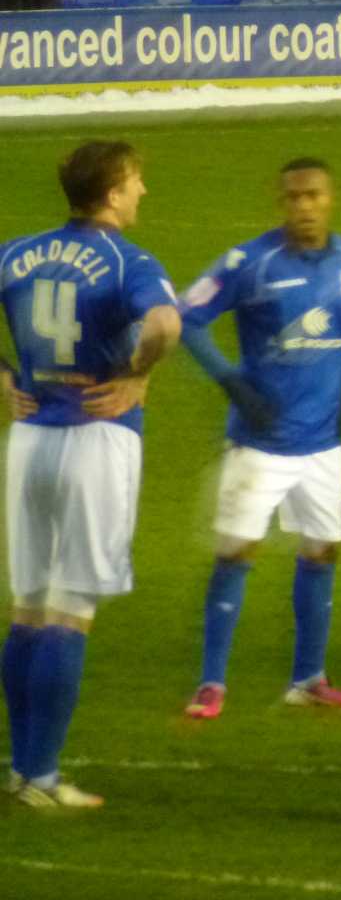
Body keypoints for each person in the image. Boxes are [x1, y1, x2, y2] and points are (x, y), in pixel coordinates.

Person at [0, 141, 181, 807]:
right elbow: (165, 322)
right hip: (95, 437)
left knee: (27, 610)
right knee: (70, 613)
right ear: (111, 193)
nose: (142, 193)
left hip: (29, 439)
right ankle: (43, 778)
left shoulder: (16, 252)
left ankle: (20, 769)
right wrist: (137, 375)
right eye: (136, 181)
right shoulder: (126, 261)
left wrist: (3, 379)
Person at [177, 161, 341, 721]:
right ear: (280, 202)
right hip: (259, 444)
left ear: (331, 199)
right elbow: (188, 318)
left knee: (322, 550)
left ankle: (309, 678)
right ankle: (211, 683)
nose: (303, 206)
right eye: (293, 197)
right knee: (237, 553)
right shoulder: (250, 263)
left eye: (313, 196)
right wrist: (233, 384)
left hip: (321, 445)